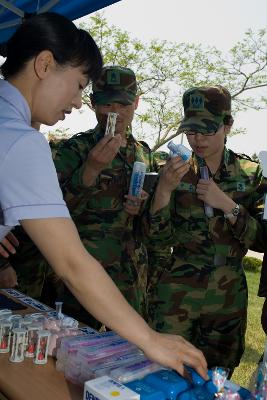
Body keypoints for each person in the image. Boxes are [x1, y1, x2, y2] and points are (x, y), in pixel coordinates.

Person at [0, 12, 207, 377]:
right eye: (80, 85)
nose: (80, 102)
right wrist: (150, 339)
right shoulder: (21, 139)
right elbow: (71, 262)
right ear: (45, 64)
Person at [145, 85, 266, 374]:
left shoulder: (251, 175)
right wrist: (163, 191)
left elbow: (262, 241)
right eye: (190, 131)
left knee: (218, 377)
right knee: (161, 372)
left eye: (207, 130)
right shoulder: (173, 169)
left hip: (227, 296)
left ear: (228, 125)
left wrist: (228, 205)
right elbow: (155, 239)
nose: (197, 139)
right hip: (176, 290)